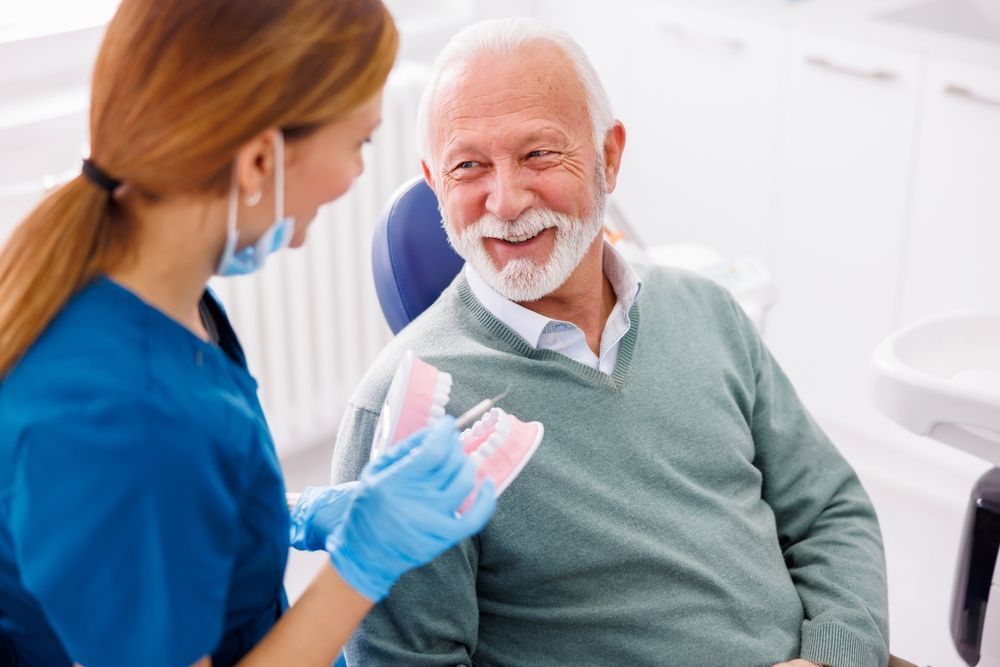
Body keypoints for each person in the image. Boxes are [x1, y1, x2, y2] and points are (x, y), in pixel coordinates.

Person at [331, 17, 890, 667]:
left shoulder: (706, 313)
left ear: (610, 156)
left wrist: (832, 656)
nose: (506, 201)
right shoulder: (407, 418)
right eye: (469, 166)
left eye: (538, 153)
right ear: (435, 183)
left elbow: (832, 511)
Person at [0, 1, 496, 665]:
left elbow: (153, 523)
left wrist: (281, 512)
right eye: (360, 144)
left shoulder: (148, 288)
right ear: (261, 160)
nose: (356, 175)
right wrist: (361, 567)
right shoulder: (127, 420)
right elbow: (143, 480)